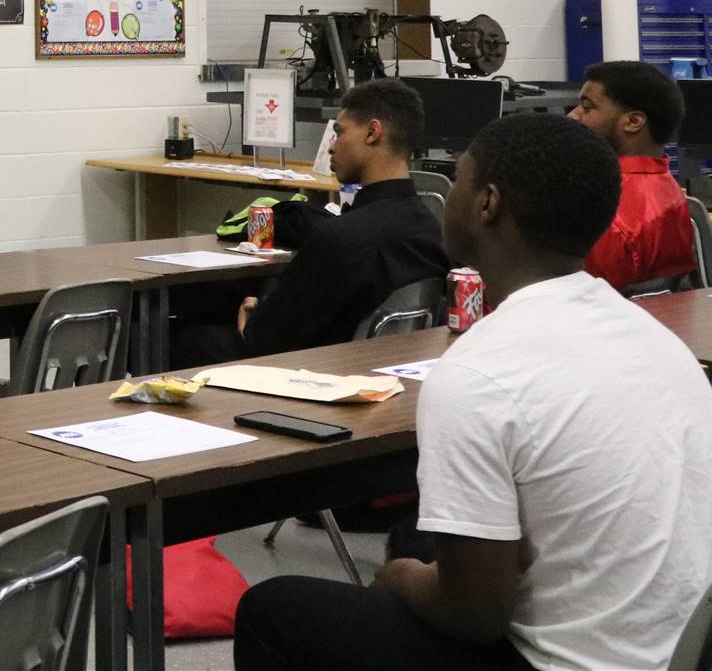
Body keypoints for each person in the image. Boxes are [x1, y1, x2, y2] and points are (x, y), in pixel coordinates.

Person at [234, 113, 712, 671]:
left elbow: (474, 616)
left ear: (486, 203)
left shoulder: (479, 374)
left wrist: (401, 580)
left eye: (457, 179)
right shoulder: (654, 339)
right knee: (417, 535)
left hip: (566, 662)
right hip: (674, 648)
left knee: (276, 609)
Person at [170, 78, 448, 367]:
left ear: (372, 133)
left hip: (313, 375)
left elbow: (264, 339)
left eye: (339, 133)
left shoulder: (341, 238)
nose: (331, 146)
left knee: (175, 339)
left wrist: (255, 316)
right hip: (383, 372)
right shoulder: (430, 228)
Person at [567, 59, 695, 292]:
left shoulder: (607, 217)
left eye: (587, 107)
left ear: (633, 122)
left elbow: (575, 302)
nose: (573, 116)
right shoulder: (668, 188)